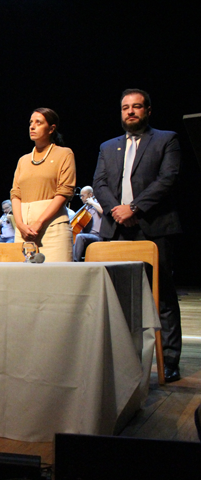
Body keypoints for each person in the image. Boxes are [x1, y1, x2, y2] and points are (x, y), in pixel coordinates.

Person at [92, 88, 182, 382]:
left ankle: (169, 361)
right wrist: (116, 210)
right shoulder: (108, 146)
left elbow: (167, 179)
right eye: (125, 108)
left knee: (163, 296)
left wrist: (134, 208)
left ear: (148, 111)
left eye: (137, 107)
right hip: (116, 229)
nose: (130, 112)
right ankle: (124, 360)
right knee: (119, 297)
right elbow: (100, 182)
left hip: (154, 227)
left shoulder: (166, 139)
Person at [10, 108, 76, 262]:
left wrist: (39, 222)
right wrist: (19, 224)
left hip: (53, 227)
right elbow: (15, 193)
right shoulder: (23, 160)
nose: (32, 126)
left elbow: (64, 192)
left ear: (51, 128)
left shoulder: (64, 154)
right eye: (31, 123)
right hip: (24, 230)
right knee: (24, 281)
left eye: (38, 122)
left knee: (57, 279)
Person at [72, 186, 103, 262]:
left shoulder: (98, 204)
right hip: (87, 235)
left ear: (90, 195)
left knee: (80, 237)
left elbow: (103, 211)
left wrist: (92, 202)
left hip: (97, 236)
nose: (81, 198)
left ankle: (74, 261)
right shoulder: (86, 209)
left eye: (83, 196)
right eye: (80, 196)